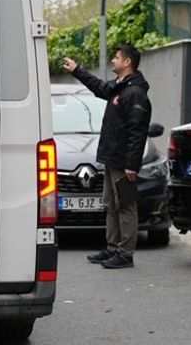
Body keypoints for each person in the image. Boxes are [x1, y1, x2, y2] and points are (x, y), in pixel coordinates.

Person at [62, 45, 152, 270]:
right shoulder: (120, 88)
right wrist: (77, 70)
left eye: (117, 58)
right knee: (111, 205)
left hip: (123, 162)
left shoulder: (134, 93)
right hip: (112, 159)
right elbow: (99, 87)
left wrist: (132, 165)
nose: (113, 61)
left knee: (125, 206)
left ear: (127, 62)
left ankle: (125, 253)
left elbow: (137, 132)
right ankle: (112, 248)